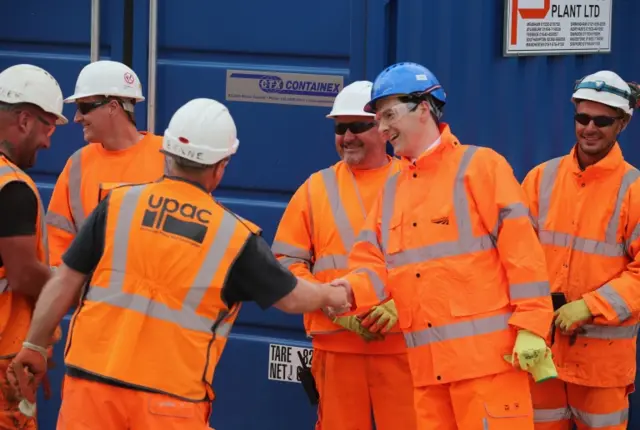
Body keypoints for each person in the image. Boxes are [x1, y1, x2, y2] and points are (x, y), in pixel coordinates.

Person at [6, 98, 351, 430]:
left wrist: (34, 345)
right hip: (169, 404)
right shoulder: (233, 236)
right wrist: (333, 295)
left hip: (90, 392)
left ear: (167, 153)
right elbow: (292, 298)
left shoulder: (118, 205)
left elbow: (63, 281)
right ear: (221, 166)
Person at [330, 62, 556, 430]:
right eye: (379, 119)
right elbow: (371, 264)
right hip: (427, 375)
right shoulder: (392, 190)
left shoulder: (480, 168)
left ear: (423, 108)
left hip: (489, 371)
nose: (382, 128)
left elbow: (523, 254)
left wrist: (532, 324)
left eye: (389, 115)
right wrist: (341, 292)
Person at [271, 81, 416, 430]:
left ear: (383, 129)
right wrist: (326, 302)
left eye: (358, 126)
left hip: (403, 349)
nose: (347, 135)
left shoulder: (417, 181)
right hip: (336, 350)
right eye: (340, 128)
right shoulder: (315, 189)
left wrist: (406, 303)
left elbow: (440, 263)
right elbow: (284, 265)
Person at [521, 71, 640, 430]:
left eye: (602, 120)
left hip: (601, 369)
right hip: (542, 357)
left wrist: (591, 305)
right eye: (583, 118)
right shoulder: (541, 178)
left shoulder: (634, 190)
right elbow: (514, 258)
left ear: (621, 124)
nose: (590, 127)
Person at [46, 60, 166, 269]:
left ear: (113, 107)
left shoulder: (168, 157)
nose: (76, 118)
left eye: (84, 108)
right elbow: (57, 245)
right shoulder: (77, 165)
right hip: (95, 300)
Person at [0, 64, 68, 428]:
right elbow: (24, 275)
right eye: (48, 127)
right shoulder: (11, 187)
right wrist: (71, 286)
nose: (48, 141)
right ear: (24, 120)